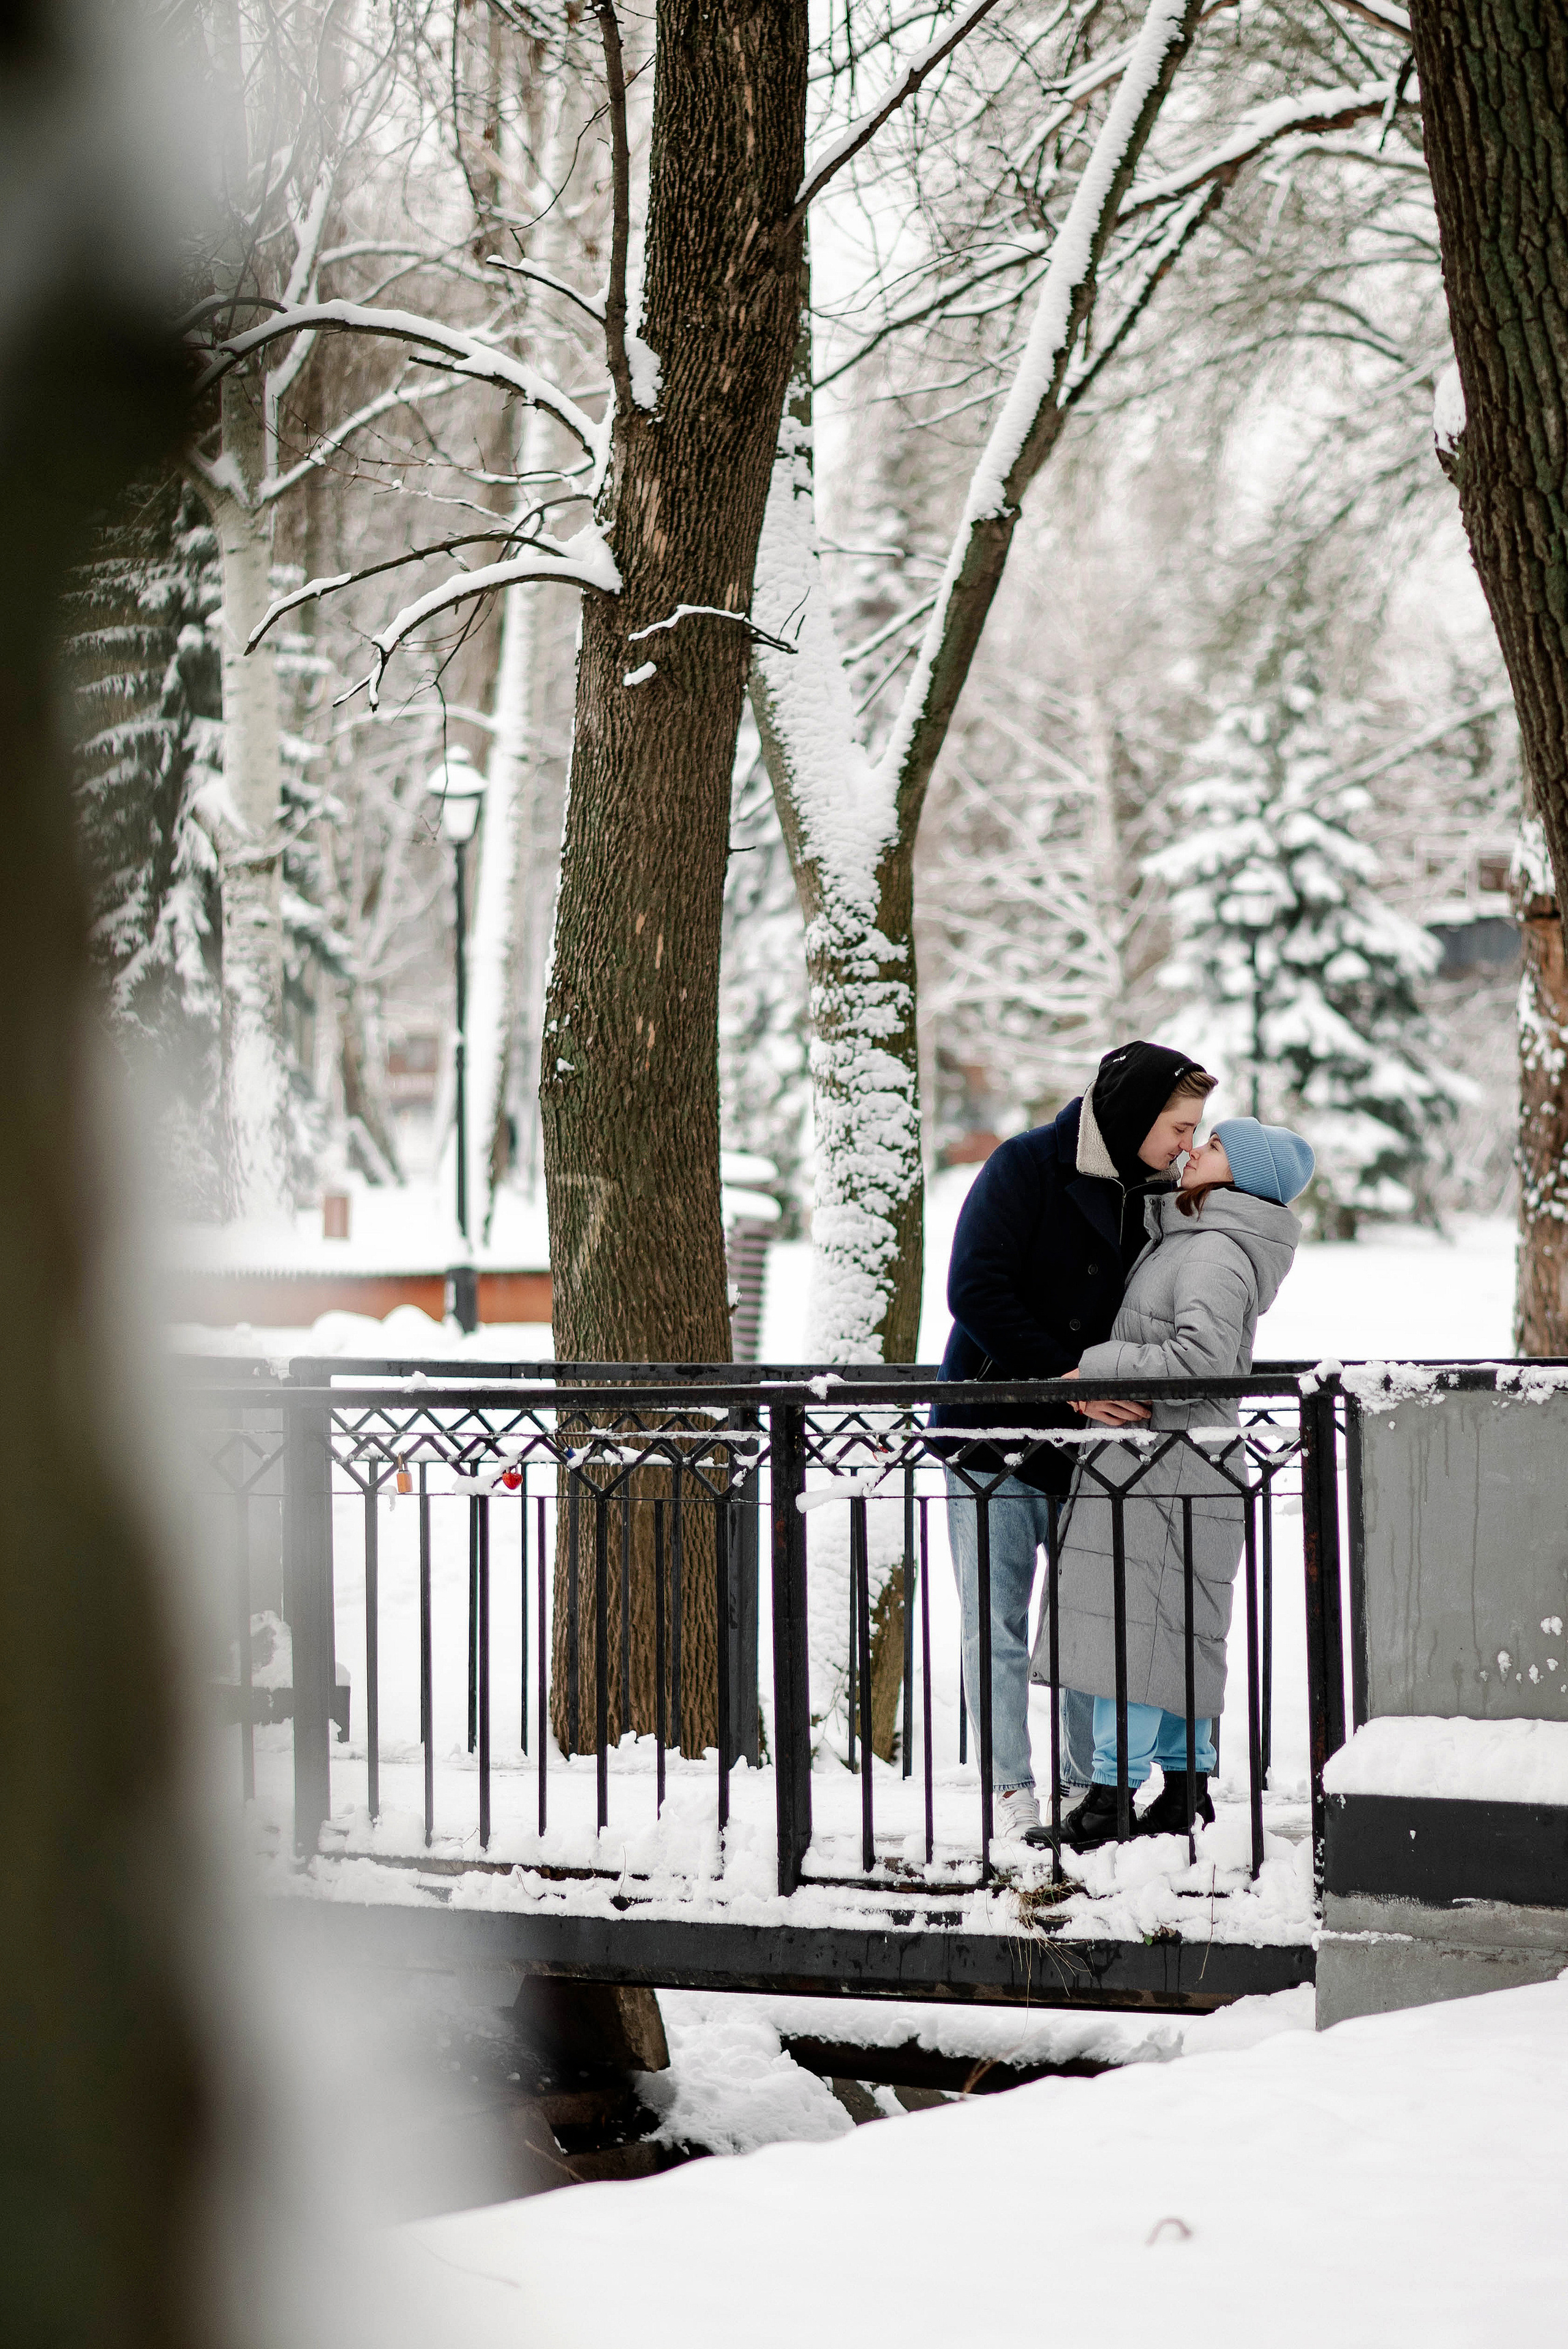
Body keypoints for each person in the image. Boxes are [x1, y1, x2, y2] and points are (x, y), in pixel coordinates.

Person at [933, 1042, 1218, 1844]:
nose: (1188, 1144)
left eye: (1198, 1129)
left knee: (1090, 1627)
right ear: (1134, 1115)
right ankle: (1008, 1790)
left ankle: (1081, 1786)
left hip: (1095, 1448)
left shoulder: (1158, 1192)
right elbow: (974, 1288)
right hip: (997, 1432)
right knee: (998, 1625)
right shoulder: (1025, 1164)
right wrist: (1065, 1376)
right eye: (1180, 1125)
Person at [1034, 1115, 1316, 1852]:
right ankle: (1182, 1790)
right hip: (1168, 1465)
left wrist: (1091, 1369)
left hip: (1161, 1467)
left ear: (1238, 1178)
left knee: (1131, 1629)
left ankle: (1109, 1799)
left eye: (1215, 1145)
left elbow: (1202, 1360)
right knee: (1172, 1629)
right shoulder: (1196, 1242)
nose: (1194, 1150)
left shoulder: (1214, 1251)